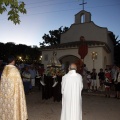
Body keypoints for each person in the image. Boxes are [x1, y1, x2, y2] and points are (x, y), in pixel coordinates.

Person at [0, 56, 28, 120]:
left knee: (6, 107)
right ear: (13, 61)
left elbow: (2, 82)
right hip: (14, 93)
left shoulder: (4, 69)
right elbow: (19, 82)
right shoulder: (14, 69)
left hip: (5, 93)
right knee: (13, 106)